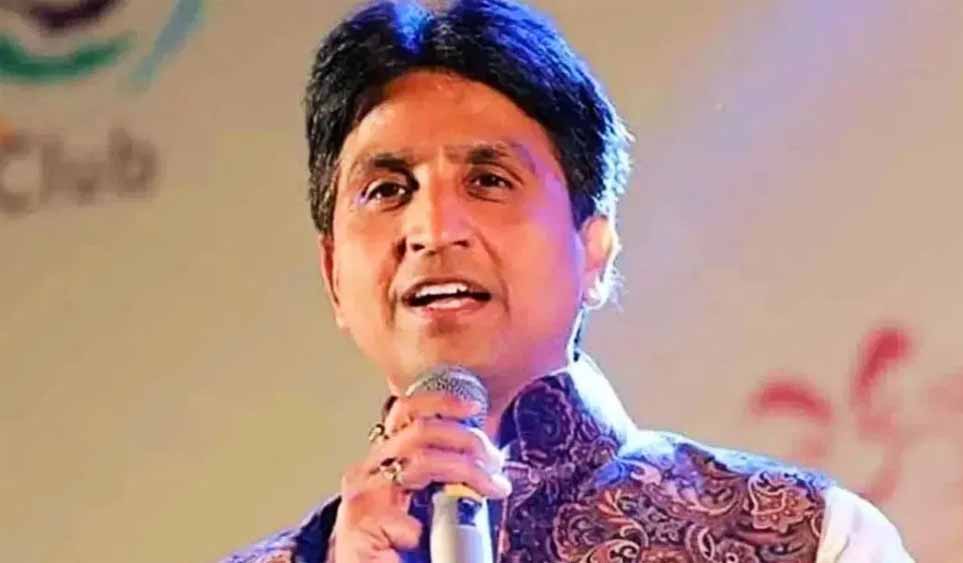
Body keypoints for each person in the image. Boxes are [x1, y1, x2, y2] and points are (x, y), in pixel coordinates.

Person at [221, 1, 913, 561]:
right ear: (333, 276)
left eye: (488, 180)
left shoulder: (810, 537)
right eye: (388, 190)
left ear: (595, 251)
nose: (432, 229)